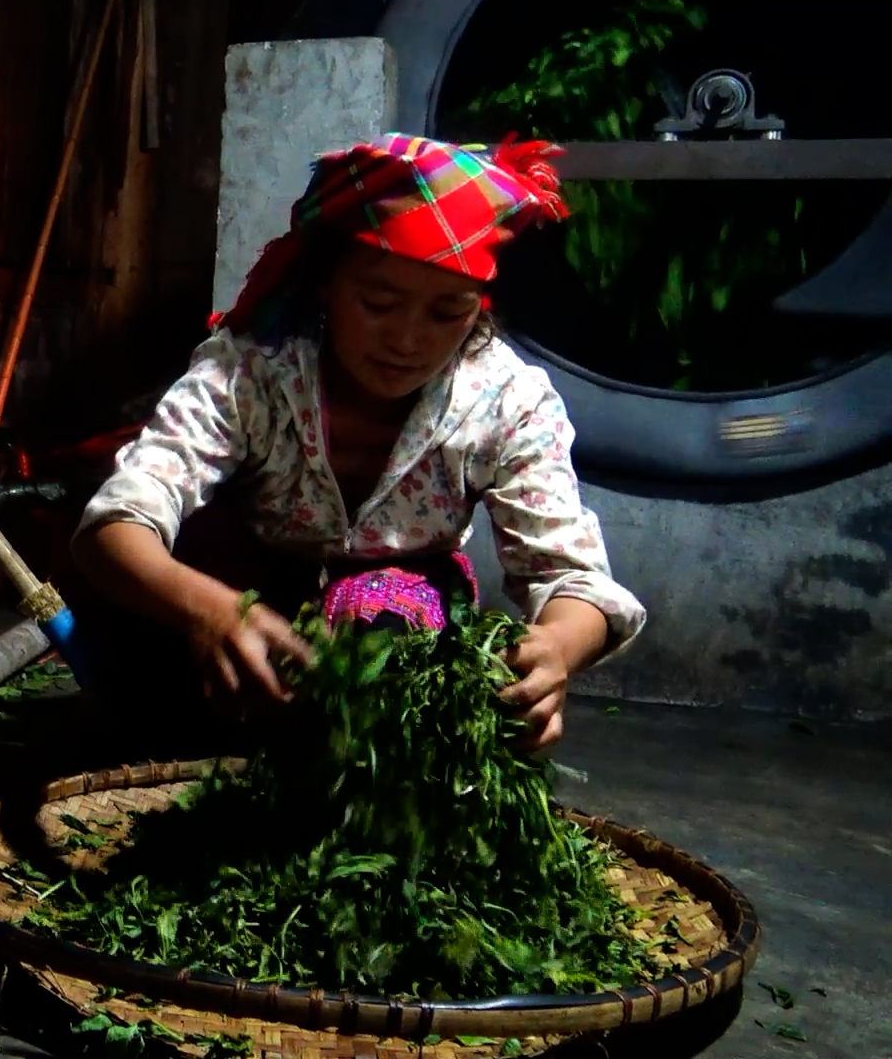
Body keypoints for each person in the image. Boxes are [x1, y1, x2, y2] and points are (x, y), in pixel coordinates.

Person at [69, 133, 646, 751]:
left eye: (447, 313)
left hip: (394, 624)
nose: (407, 339)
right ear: (325, 282)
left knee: (380, 622)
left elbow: (574, 580)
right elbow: (117, 524)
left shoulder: (508, 402)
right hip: (237, 590)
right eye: (379, 301)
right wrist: (212, 609)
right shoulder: (253, 371)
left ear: (479, 308)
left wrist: (554, 648)